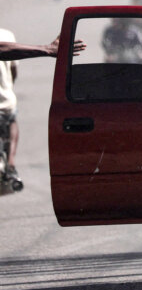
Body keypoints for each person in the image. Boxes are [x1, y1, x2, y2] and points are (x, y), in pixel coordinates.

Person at [0, 31, 86, 188]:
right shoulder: (6, 34)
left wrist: (47, 49)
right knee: (12, 117)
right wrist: (46, 49)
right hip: (6, 103)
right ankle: (11, 165)